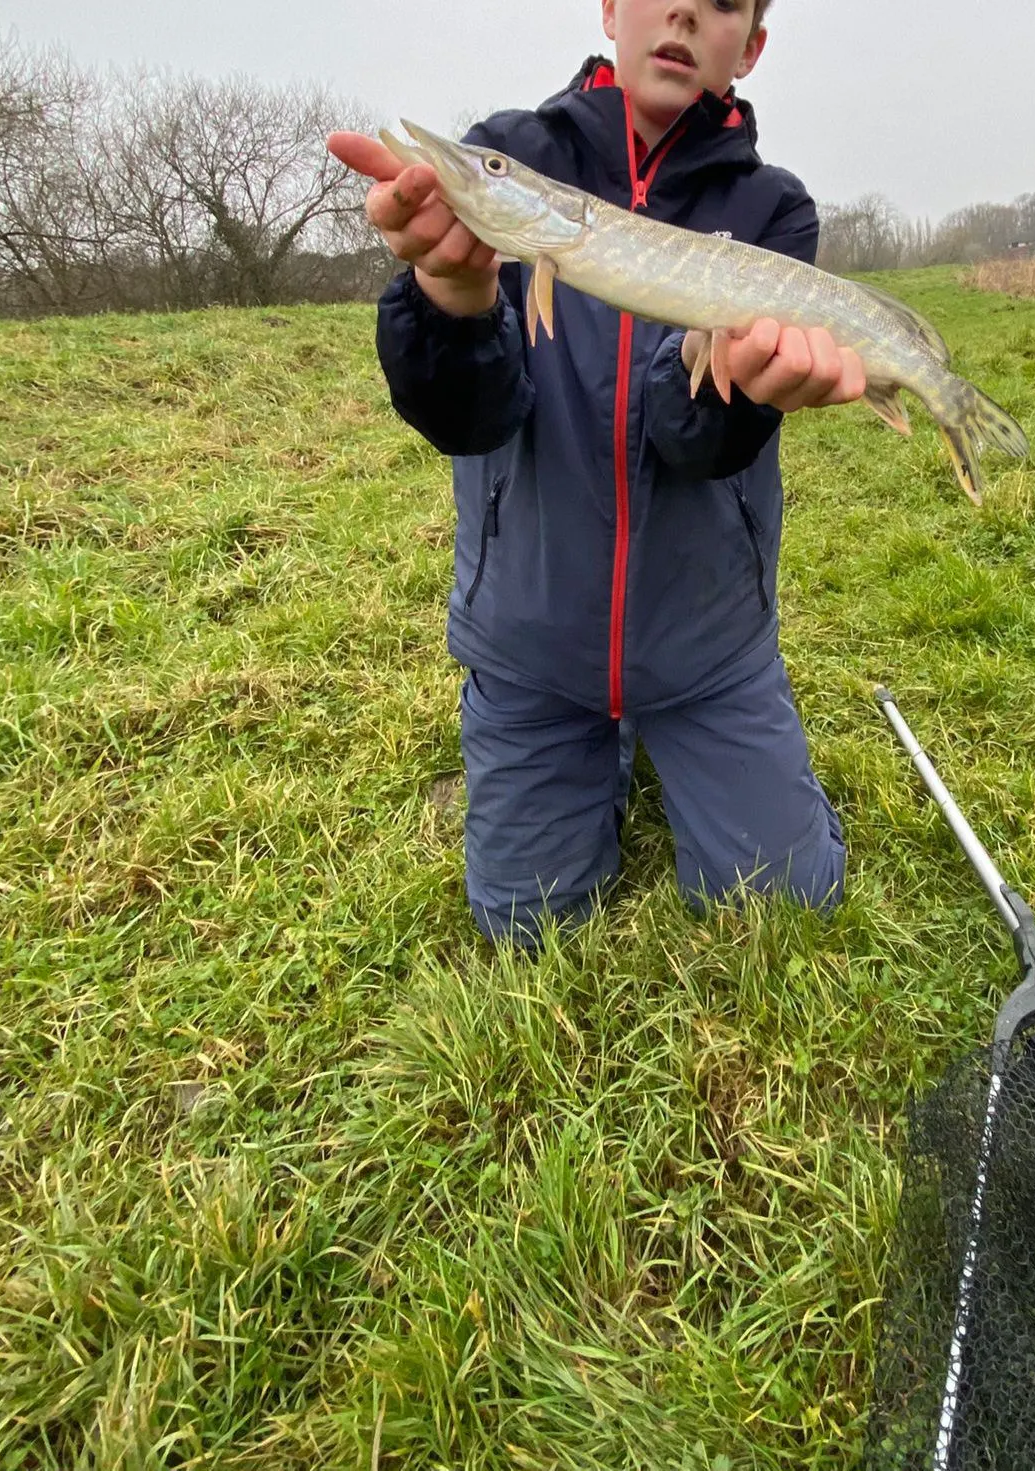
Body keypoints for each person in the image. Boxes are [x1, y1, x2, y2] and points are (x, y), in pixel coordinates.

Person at [328, 0, 867, 945]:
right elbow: (466, 417)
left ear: (750, 45)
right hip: (534, 647)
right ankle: (601, 740)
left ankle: (669, 734)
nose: (687, 11)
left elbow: (690, 439)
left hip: (705, 644)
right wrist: (453, 302)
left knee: (788, 904)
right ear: (612, 9)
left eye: (727, 4)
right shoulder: (507, 151)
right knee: (524, 930)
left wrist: (741, 391)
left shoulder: (770, 209)